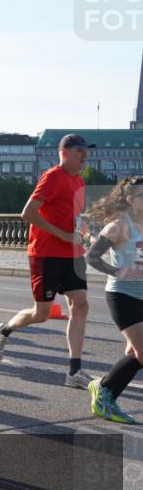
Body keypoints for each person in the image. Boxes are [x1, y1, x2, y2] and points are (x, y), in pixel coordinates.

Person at [0, 134, 95, 388]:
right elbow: (28, 213)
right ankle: (4, 330)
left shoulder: (78, 180)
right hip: (46, 254)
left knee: (81, 304)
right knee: (41, 314)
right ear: (65, 152)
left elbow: (73, 215)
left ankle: (74, 372)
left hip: (72, 254)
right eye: (81, 150)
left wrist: (85, 231)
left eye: (86, 151)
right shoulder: (52, 177)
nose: (85, 155)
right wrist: (63, 234)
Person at [84, 178, 143, 424]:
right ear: (131, 200)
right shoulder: (120, 226)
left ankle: (102, 386)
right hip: (123, 296)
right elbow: (92, 256)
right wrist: (117, 271)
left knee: (135, 352)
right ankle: (105, 394)